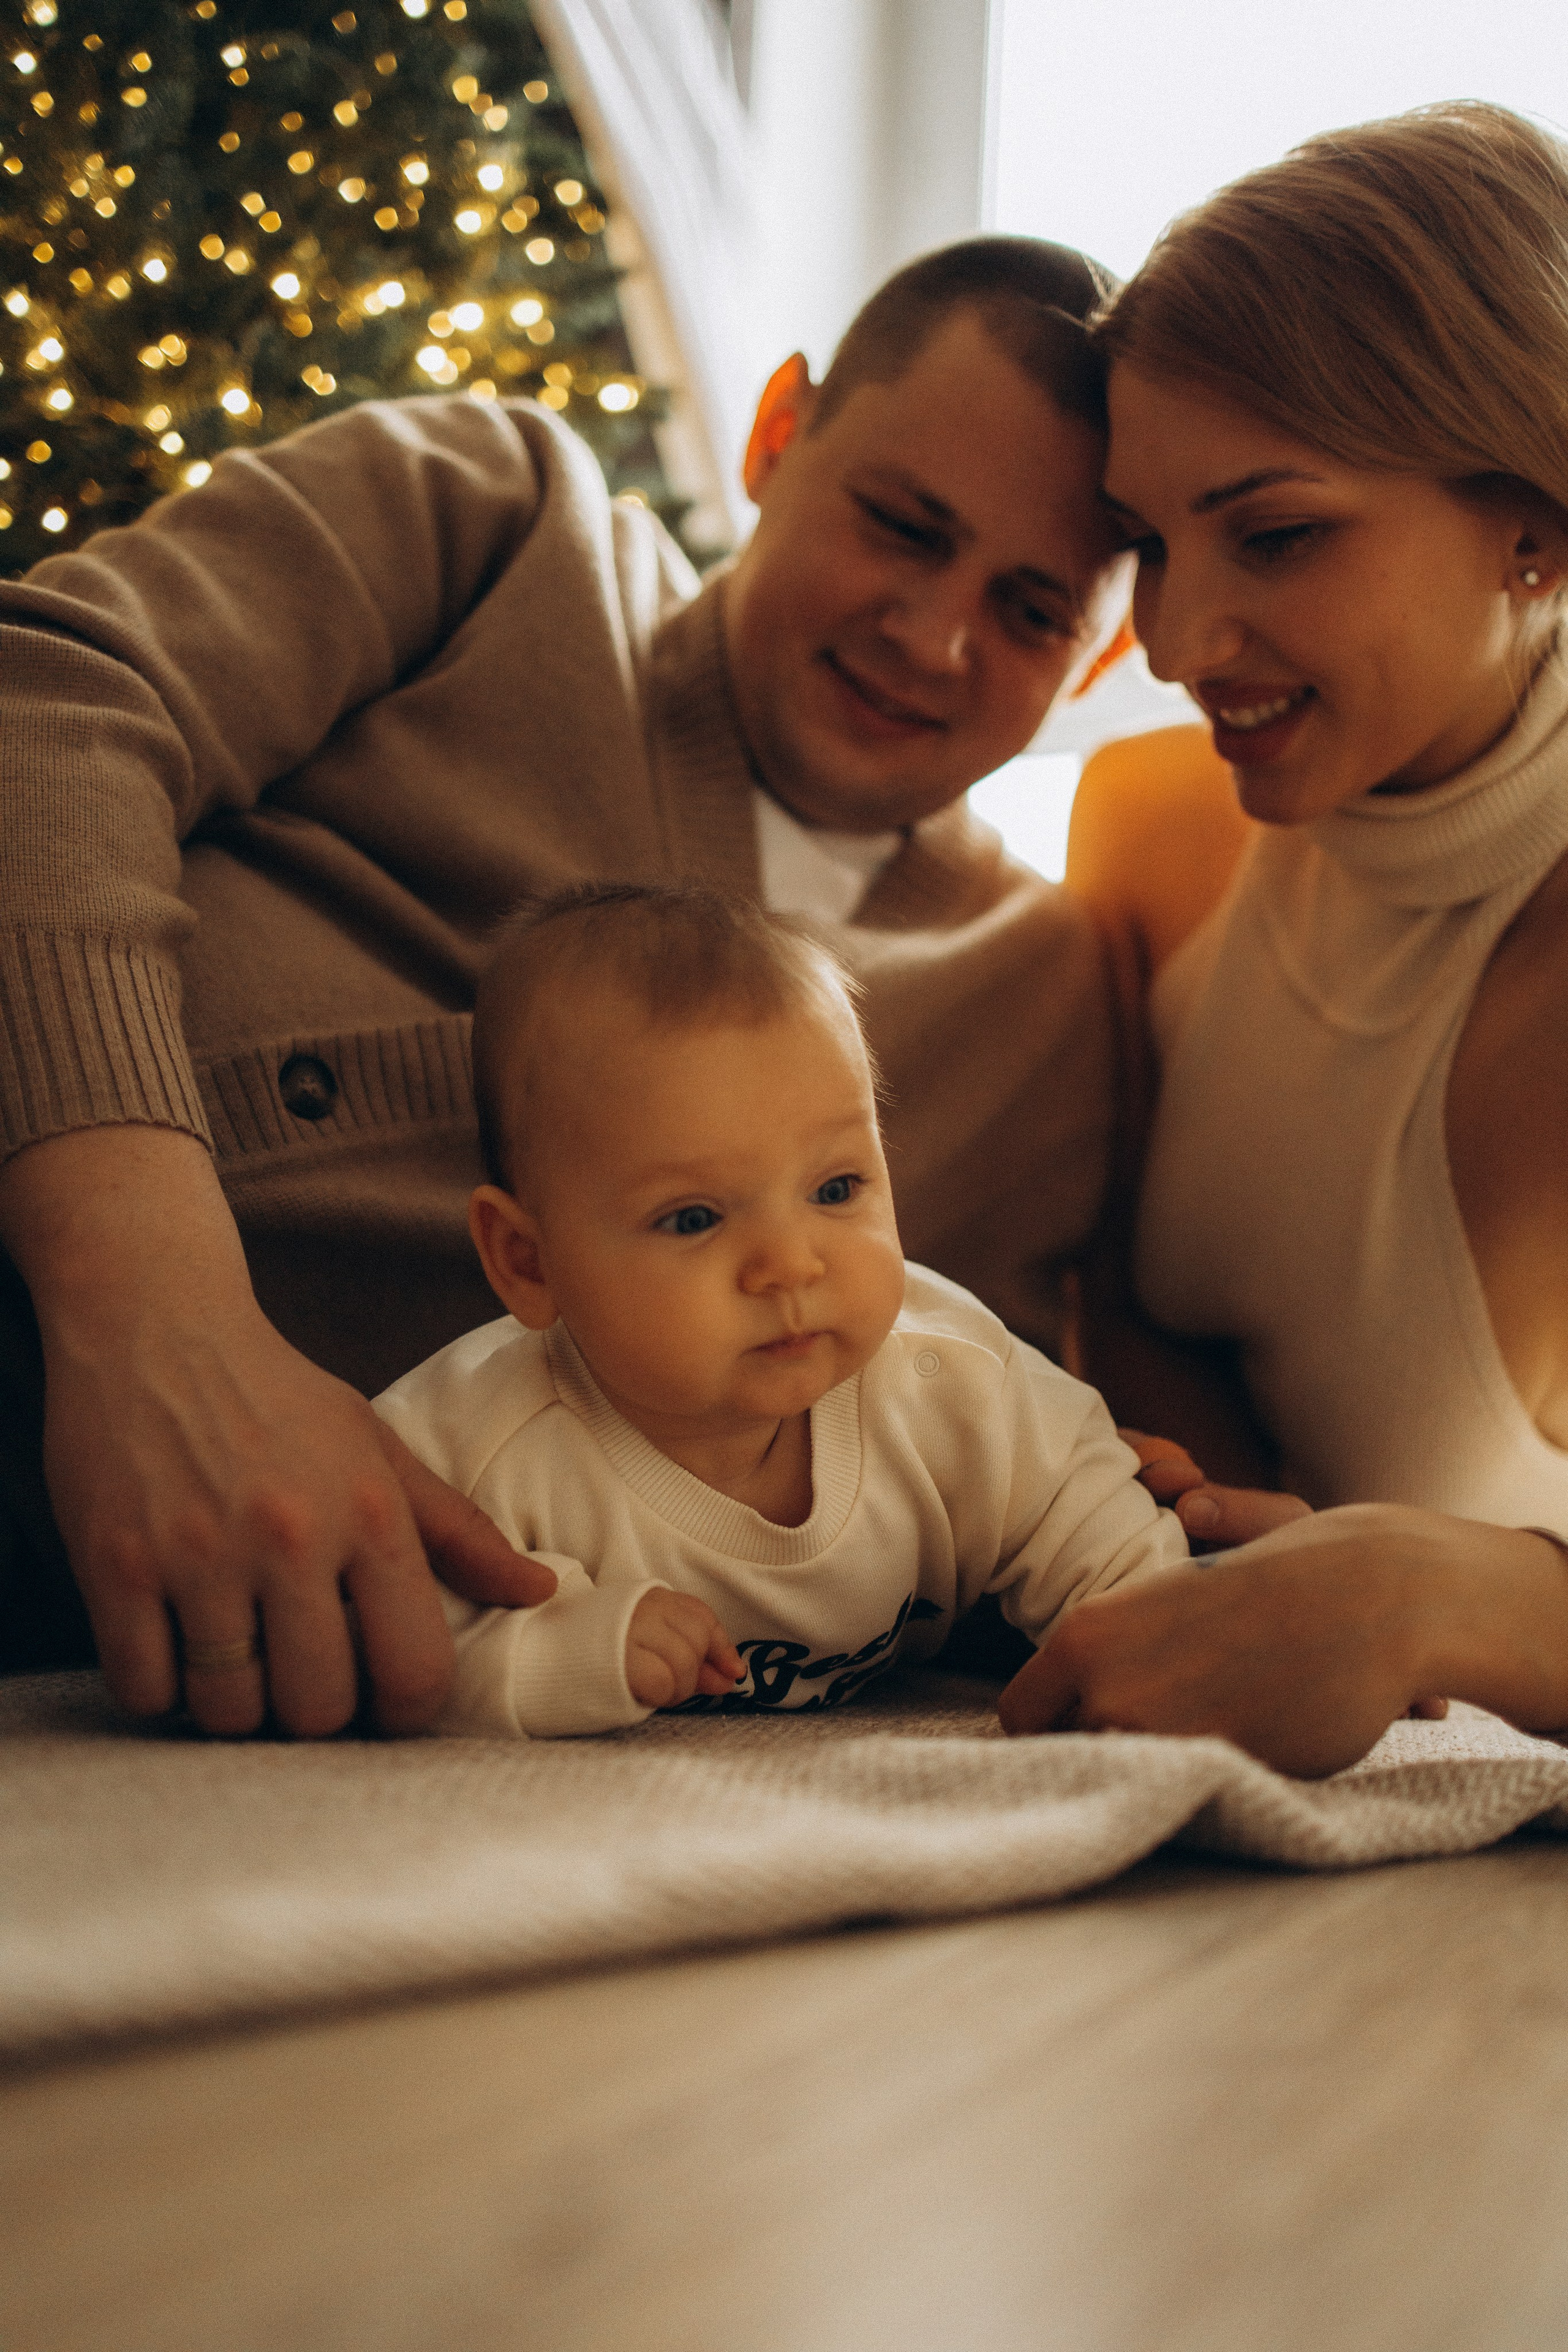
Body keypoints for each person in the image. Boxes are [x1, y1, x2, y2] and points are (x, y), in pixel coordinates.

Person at [0, 235, 1148, 1736]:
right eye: (900, 526)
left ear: (1094, 652)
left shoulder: (1034, 994)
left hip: (352, 1683)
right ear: (775, 433)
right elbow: (42, 705)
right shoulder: (492, 517)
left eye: (1028, 610)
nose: (933, 637)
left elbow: (946, 1435)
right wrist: (151, 1317)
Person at [1004, 102, 1568, 1770]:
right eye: (1150, 547)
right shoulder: (1153, 825)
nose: (1176, 641)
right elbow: (1150, 1312)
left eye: (1277, 533)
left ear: (1534, 519)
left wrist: (1430, 1594)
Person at [374, 883, 1193, 1737]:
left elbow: (1085, 1507)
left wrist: (1153, 1630)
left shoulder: (949, 1377)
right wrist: (565, 1654)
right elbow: (395, 1642)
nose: (791, 1265)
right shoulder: (472, 1449)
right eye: (695, 1218)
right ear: (528, 1262)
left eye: (836, 1189)